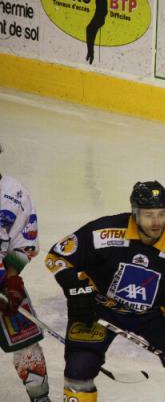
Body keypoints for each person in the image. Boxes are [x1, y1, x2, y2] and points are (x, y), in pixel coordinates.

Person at [44, 181, 165, 402]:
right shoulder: (104, 233)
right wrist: (76, 289)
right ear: (135, 213)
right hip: (98, 309)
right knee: (79, 369)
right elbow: (57, 257)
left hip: (152, 316)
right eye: (148, 214)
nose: (156, 222)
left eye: (162, 214)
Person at [0, 145, 51, 402]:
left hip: (0, 282)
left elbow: (24, 242)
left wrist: (12, 277)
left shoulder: (13, 194)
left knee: (26, 341)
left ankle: (40, 399)